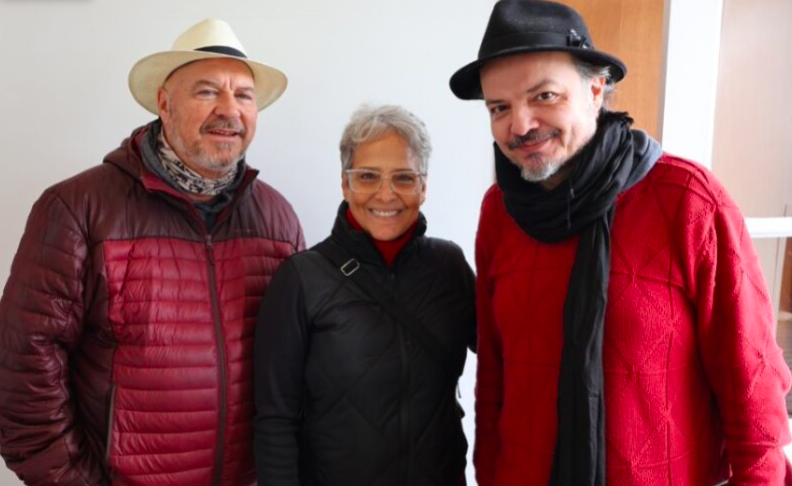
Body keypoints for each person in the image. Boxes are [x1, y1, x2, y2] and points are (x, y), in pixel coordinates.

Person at [448, 1, 792, 485]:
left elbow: (751, 387)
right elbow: (494, 374)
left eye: (544, 95)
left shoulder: (687, 200)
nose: (520, 125)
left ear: (595, 90)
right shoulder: (499, 211)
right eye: (499, 107)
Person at [0, 19, 304, 486]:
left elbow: (294, 368)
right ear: (164, 103)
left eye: (244, 96)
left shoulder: (277, 220)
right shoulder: (78, 208)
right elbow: (23, 369)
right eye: (207, 91)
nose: (229, 110)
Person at [253, 104, 476, 486]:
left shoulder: (449, 265)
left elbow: (511, 354)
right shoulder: (302, 278)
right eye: (368, 176)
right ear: (345, 183)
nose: (386, 194)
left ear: (423, 187)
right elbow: (275, 419)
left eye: (404, 178)